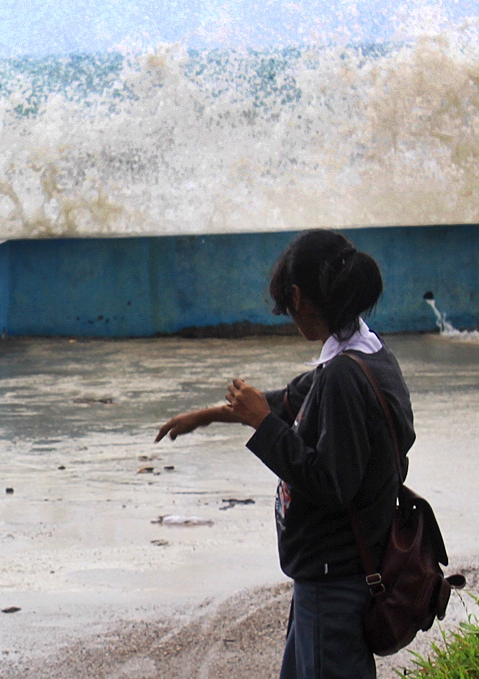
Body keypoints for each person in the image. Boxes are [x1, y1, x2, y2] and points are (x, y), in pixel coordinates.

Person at [155, 229, 415, 679]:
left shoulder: (341, 378)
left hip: (336, 578)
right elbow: (289, 400)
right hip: (333, 570)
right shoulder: (366, 353)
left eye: (287, 306)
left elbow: (331, 484)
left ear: (297, 296)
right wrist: (210, 415)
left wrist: (263, 425)